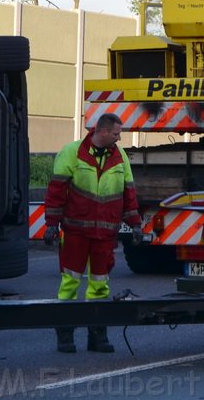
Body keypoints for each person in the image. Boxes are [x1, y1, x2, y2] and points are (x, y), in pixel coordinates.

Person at [43, 113, 142, 353]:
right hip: (76, 230)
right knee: (70, 282)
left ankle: (97, 335)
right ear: (103, 131)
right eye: (117, 133)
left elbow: (129, 193)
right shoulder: (72, 152)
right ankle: (65, 334)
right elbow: (57, 190)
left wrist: (135, 224)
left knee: (100, 284)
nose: (119, 139)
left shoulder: (120, 158)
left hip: (105, 233)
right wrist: (51, 224)